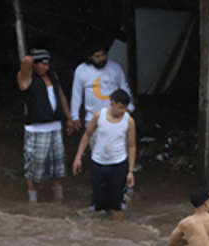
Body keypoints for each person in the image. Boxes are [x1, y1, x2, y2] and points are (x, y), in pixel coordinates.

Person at [16, 49, 74, 203]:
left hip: (55, 126)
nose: (45, 67)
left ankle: (58, 199)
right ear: (34, 65)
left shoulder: (53, 76)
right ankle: (33, 201)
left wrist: (69, 117)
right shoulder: (26, 78)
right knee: (34, 167)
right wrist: (34, 56)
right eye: (42, 64)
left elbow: (61, 96)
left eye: (47, 64)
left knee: (57, 166)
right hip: (37, 128)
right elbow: (25, 61)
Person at [72, 90, 136, 221]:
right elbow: (87, 135)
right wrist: (78, 157)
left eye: (125, 108)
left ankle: (116, 228)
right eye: (120, 107)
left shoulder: (129, 121)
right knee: (98, 201)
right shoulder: (98, 116)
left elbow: (132, 145)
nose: (123, 111)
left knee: (117, 202)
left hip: (119, 165)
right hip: (98, 164)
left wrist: (130, 171)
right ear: (112, 103)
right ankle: (100, 230)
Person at [70, 42, 134, 131]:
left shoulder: (115, 68)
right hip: (92, 119)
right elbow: (77, 94)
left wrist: (130, 107)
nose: (101, 59)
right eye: (97, 56)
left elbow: (125, 89)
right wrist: (75, 116)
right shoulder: (81, 70)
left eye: (103, 55)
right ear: (90, 57)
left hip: (116, 117)